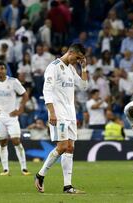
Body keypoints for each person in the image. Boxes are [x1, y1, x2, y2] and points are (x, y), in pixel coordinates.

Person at [34, 43, 88, 194]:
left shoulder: (71, 68)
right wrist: (51, 112)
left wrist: (83, 68)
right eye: (77, 58)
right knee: (63, 147)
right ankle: (40, 175)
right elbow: (47, 90)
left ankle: (67, 186)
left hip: (70, 114)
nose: (77, 61)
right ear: (71, 52)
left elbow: (83, 86)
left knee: (70, 148)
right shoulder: (54, 67)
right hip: (59, 114)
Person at [0, 62, 31, 176]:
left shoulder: (13, 81)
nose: (0, 71)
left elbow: (25, 95)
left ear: (5, 70)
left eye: (2, 68)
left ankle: (24, 168)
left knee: (16, 140)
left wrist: (20, 109)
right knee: (3, 141)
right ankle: (5, 169)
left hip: (12, 116)